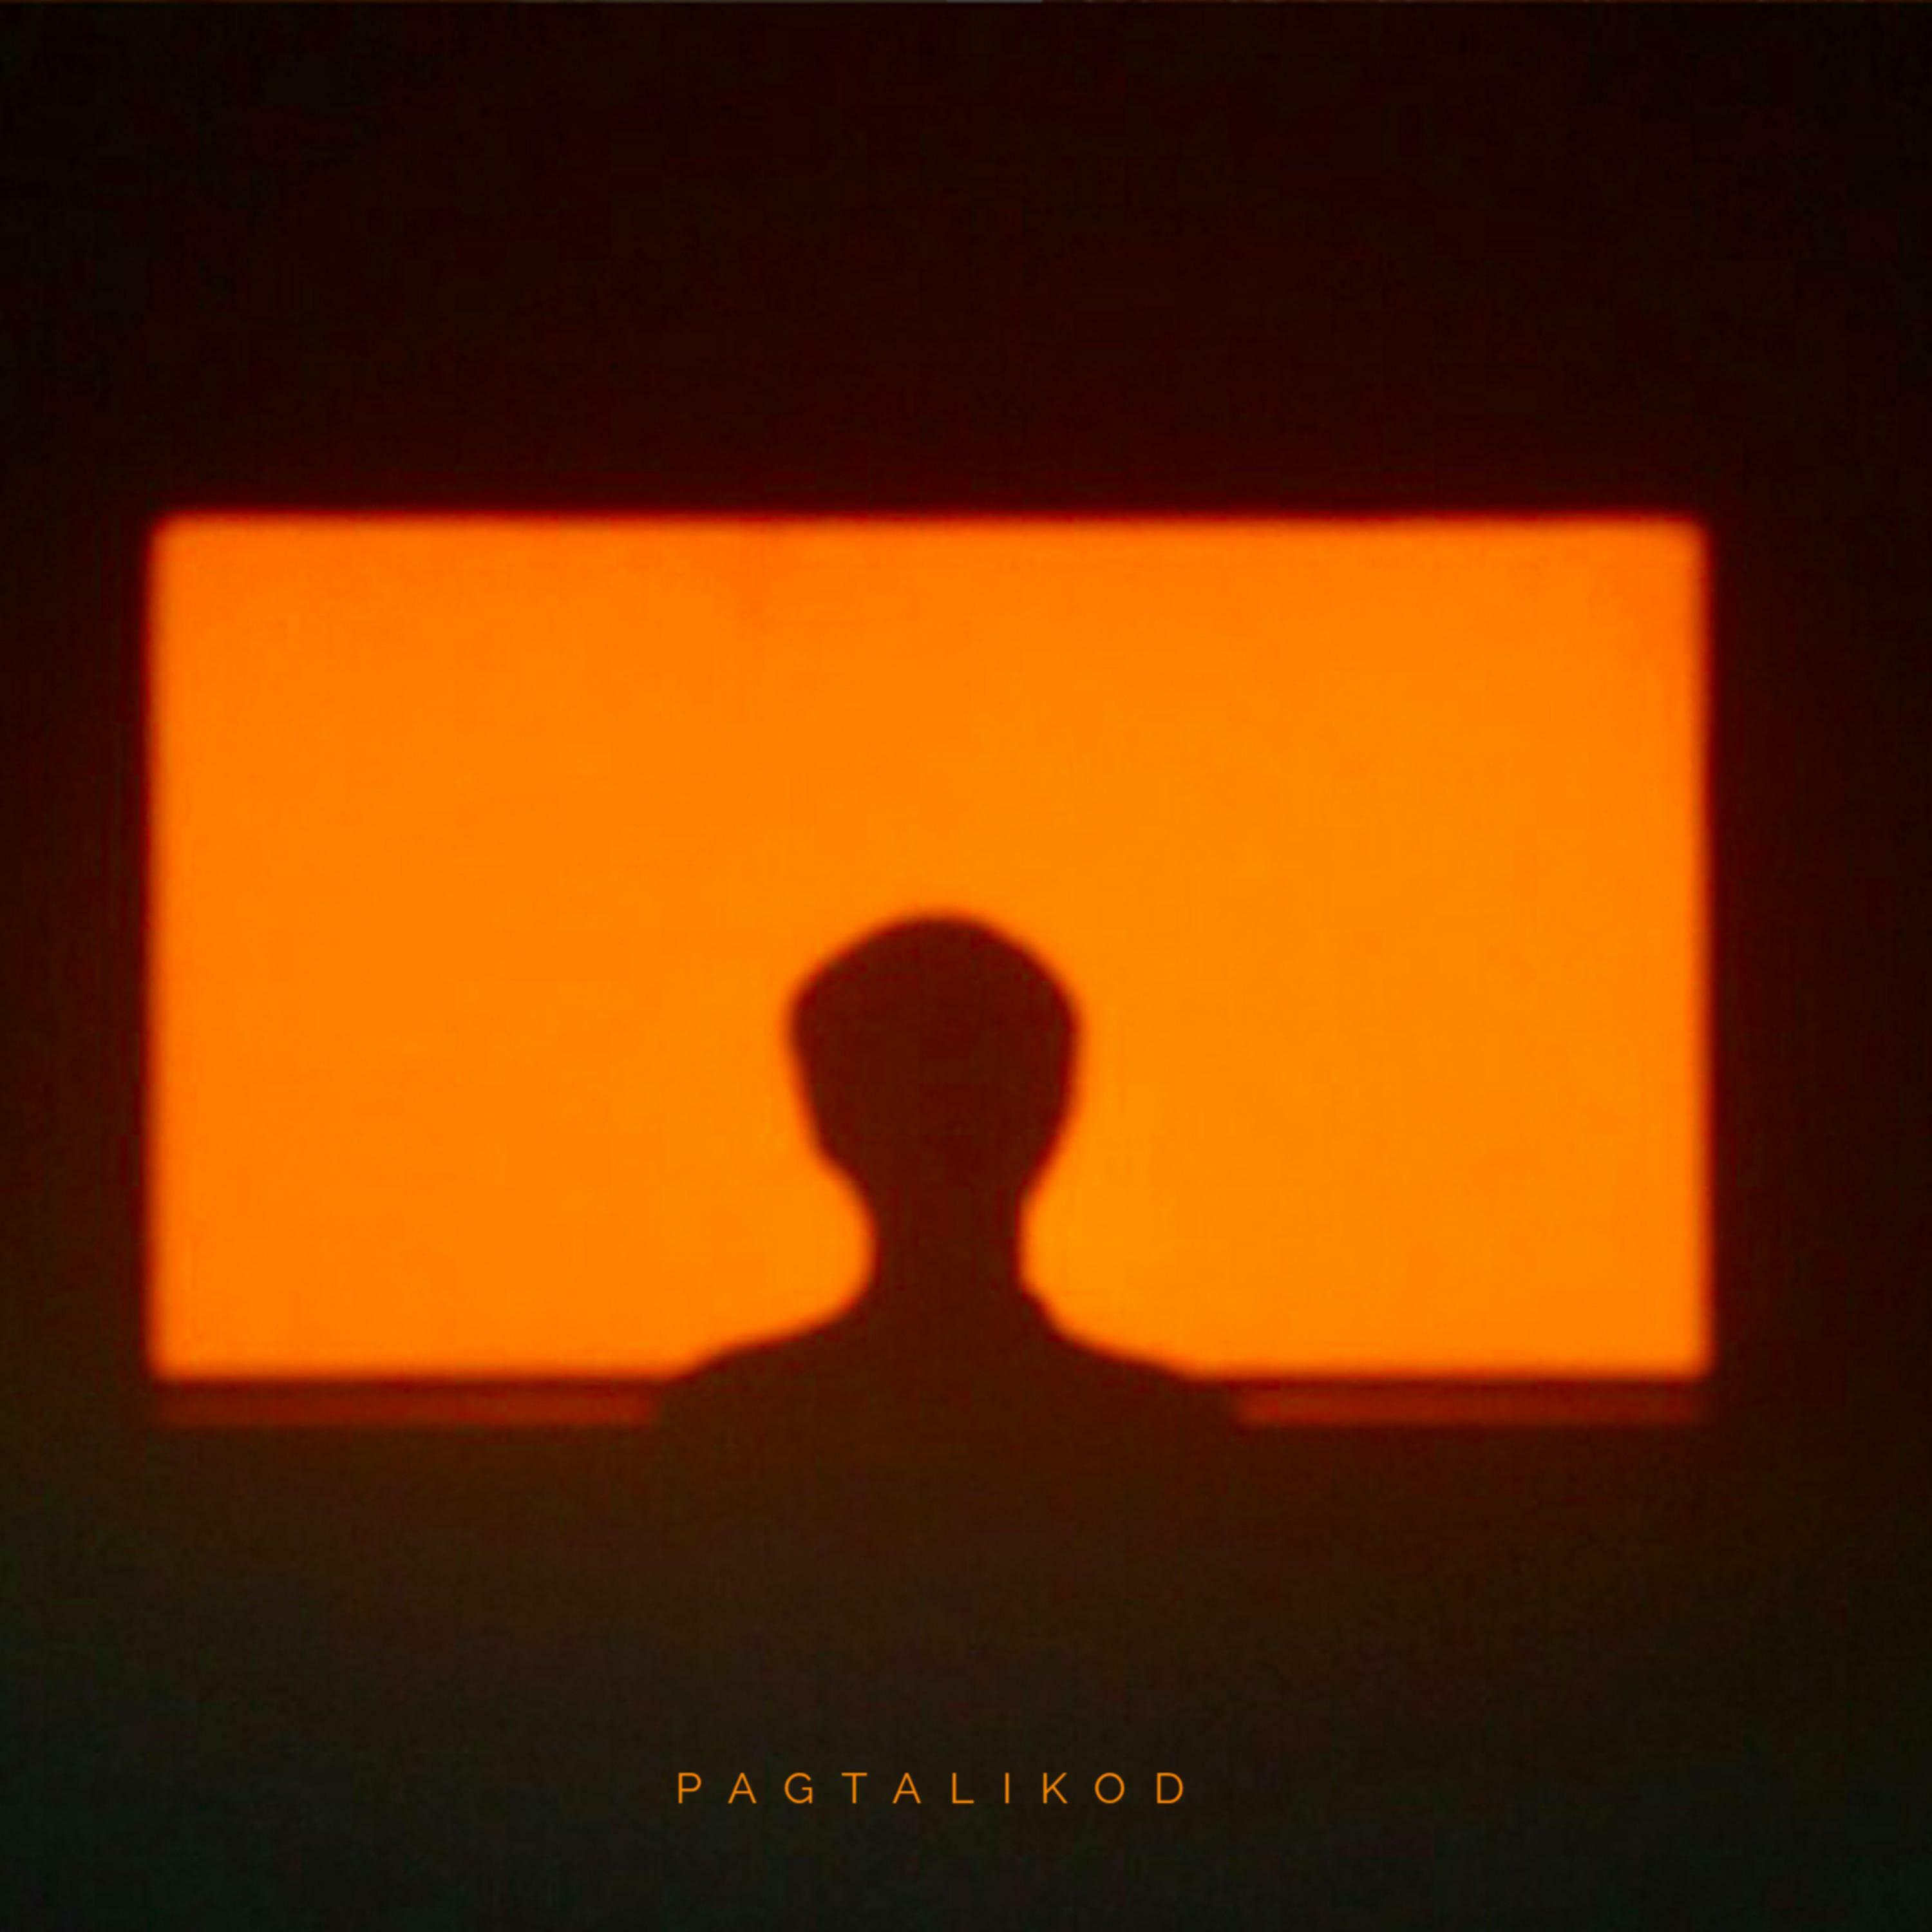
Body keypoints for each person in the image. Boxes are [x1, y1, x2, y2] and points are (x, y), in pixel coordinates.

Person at [655, 916, 1228, 1479]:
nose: (937, 1121)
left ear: (826, 1120)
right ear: (1052, 1113)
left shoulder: (736, 1426)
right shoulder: (1161, 1435)